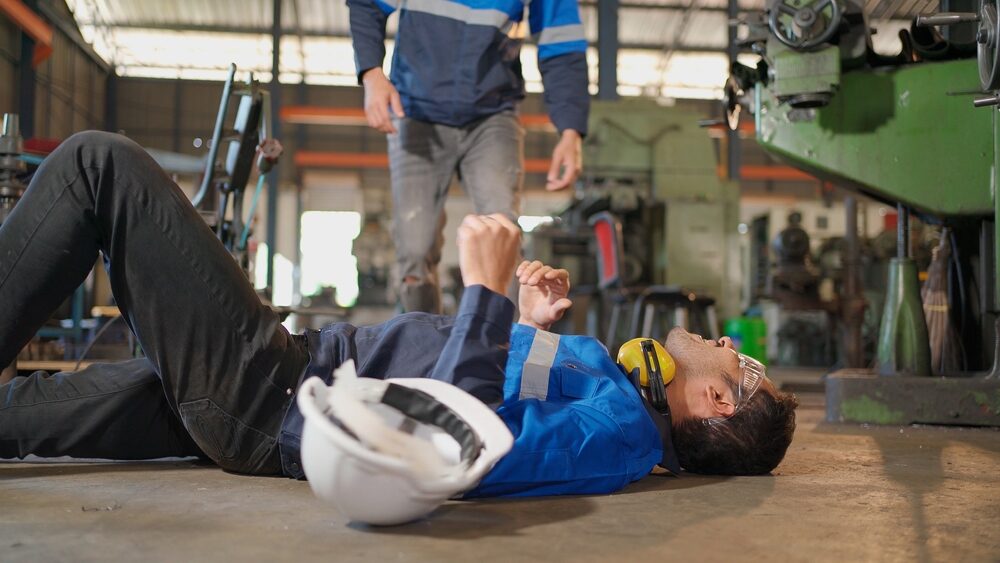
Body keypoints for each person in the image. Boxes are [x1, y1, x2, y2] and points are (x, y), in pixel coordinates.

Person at [0, 132, 797, 496]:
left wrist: (482, 296)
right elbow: (490, 390)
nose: (730, 341)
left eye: (741, 361)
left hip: (274, 393)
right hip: (284, 390)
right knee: (19, 414)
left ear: (720, 401)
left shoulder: (616, 435)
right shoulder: (615, 401)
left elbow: (448, 443)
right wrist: (521, 318)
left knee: (98, 168)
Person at [348, 0, 590, 314]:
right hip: (415, 110)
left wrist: (570, 131)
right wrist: (371, 72)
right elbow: (367, 4)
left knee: (502, 234)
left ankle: (499, 349)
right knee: (415, 249)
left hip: (493, 114)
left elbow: (562, 44)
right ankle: (422, 351)